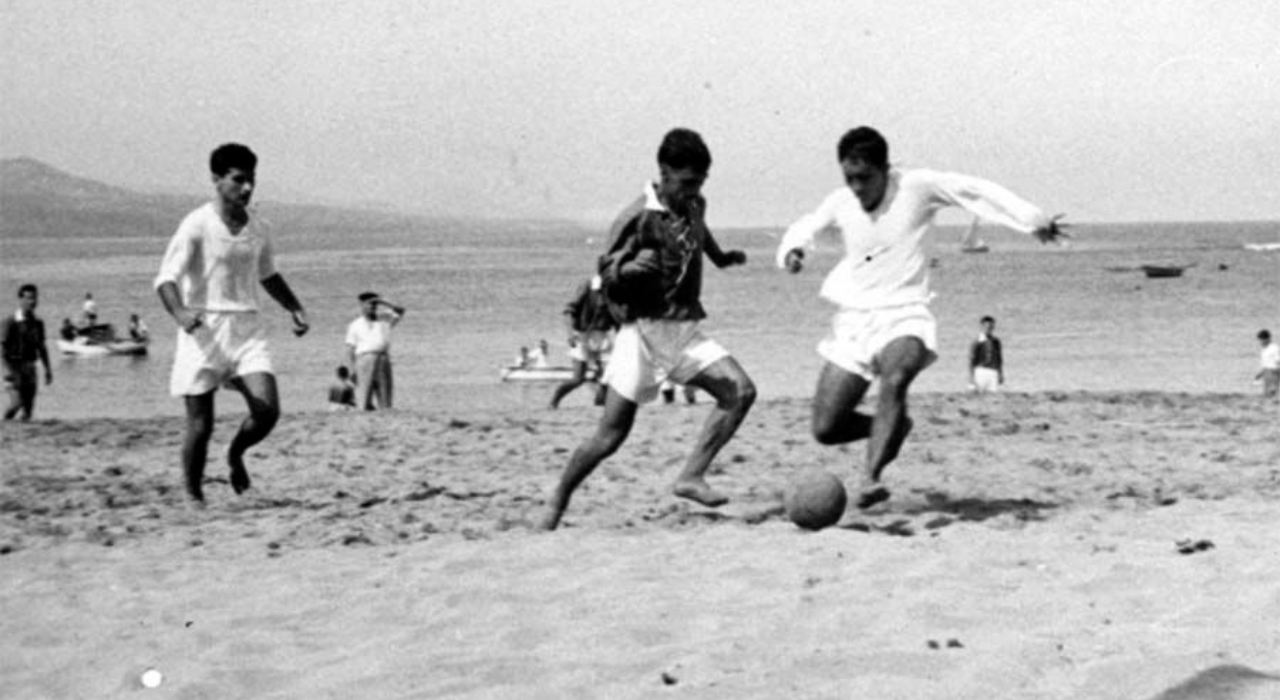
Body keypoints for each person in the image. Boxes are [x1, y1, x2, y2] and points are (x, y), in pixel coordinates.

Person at [777, 126, 1065, 509]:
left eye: (865, 177)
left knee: (895, 378)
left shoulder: (917, 187)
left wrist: (1033, 220)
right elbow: (807, 226)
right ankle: (893, 425)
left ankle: (870, 478)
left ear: (886, 169)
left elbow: (976, 191)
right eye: (850, 178)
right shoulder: (841, 202)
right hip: (854, 322)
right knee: (826, 428)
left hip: (905, 314)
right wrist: (793, 251)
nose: (857, 187)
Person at [539, 128, 756, 530]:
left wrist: (721, 257)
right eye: (686, 182)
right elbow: (605, 272)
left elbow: (700, 230)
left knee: (740, 391)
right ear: (664, 173)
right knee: (610, 436)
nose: (694, 191)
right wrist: (629, 268)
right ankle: (557, 500)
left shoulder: (695, 203)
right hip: (641, 334)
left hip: (684, 330)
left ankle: (691, 476)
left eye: (700, 182)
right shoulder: (637, 216)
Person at [155, 143, 310, 503]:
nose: (247, 187)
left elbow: (268, 274)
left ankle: (236, 453)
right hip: (203, 332)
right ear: (216, 179)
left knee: (267, 410)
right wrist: (180, 313)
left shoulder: (259, 227)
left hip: (247, 330)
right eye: (238, 180)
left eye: (251, 179)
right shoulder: (196, 224)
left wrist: (294, 307)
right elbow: (165, 279)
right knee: (200, 425)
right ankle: (194, 496)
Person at [550, 275, 617, 409]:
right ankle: (554, 400)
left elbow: (618, 316)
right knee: (578, 379)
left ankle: (600, 404)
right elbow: (569, 311)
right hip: (583, 335)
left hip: (602, 335)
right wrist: (570, 334)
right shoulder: (587, 286)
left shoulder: (615, 290)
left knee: (608, 376)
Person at [344, 291, 405, 411]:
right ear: (362, 305)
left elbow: (401, 310)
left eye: (375, 304)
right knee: (364, 395)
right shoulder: (355, 325)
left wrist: (383, 301)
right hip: (364, 360)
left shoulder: (385, 320)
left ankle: (384, 413)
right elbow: (349, 349)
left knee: (385, 395)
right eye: (370, 304)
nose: (373, 306)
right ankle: (364, 413)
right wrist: (351, 370)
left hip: (382, 359)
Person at [2, 284, 53, 421]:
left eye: (35, 298)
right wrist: (7, 370)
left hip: (30, 366)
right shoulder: (10, 321)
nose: (32, 301)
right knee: (16, 403)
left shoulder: (38, 323)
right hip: (14, 366)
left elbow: (42, 347)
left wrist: (48, 369)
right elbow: (2, 349)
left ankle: (22, 431)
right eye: (29, 298)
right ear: (21, 299)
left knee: (28, 409)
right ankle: (4, 425)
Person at [968, 315, 1003, 392]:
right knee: (978, 394)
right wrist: (971, 377)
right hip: (980, 370)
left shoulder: (996, 342)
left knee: (993, 395)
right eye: (987, 327)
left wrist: (1000, 374)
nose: (989, 329)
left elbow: (999, 359)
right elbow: (972, 360)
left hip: (993, 371)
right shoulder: (977, 342)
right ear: (982, 326)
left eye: (991, 327)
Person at [1256, 329, 1279, 398]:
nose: (1260, 342)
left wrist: (1276, 374)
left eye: (1261, 340)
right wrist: (1260, 373)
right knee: (1266, 393)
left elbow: (1278, 361)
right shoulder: (1264, 349)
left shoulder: (1274, 348)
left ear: (1267, 339)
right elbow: (1265, 363)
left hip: (1273, 372)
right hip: (1266, 372)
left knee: (1272, 392)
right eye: (1260, 340)